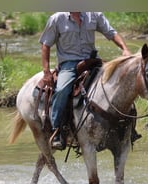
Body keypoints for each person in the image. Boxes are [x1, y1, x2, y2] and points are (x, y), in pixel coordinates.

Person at [39, 12, 139, 149]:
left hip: (93, 60)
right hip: (69, 64)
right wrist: (46, 72)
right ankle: (57, 130)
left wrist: (125, 49)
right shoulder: (57, 19)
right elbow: (46, 45)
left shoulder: (94, 15)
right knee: (62, 89)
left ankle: (130, 128)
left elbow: (111, 33)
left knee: (120, 82)